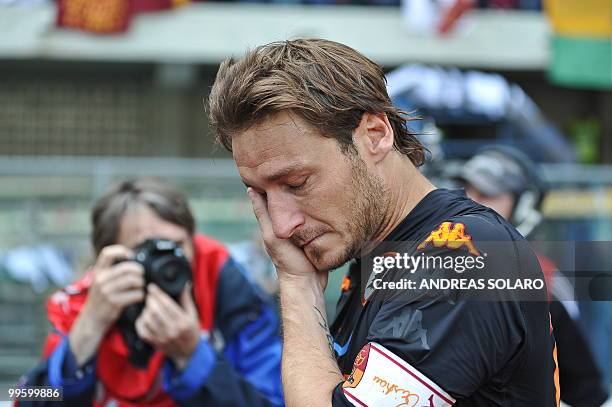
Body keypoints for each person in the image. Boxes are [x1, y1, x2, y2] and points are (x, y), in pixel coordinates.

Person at [208, 38, 558, 406]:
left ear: (375, 135)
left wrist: (296, 285)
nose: (281, 226)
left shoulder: (466, 254)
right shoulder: (376, 255)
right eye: (261, 195)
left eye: (297, 184)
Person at [17, 178, 283, 406]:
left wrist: (193, 357)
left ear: (194, 240)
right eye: (149, 249)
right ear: (110, 259)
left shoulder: (221, 280)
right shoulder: (85, 301)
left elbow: (272, 400)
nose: (166, 263)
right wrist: (89, 329)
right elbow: (30, 398)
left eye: (177, 246)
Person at [457, 145, 609, 406]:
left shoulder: (543, 281)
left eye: (486, 195)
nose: (470, 202)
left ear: (524, 207)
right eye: (465, 191)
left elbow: (586, 391)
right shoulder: (426, 265)